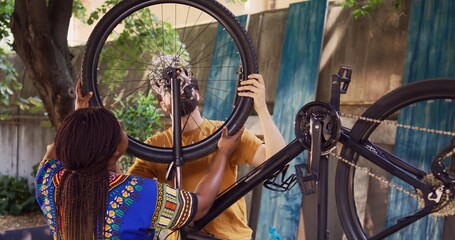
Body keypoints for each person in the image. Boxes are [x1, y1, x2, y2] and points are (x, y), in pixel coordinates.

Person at [34, 79, 244, 240]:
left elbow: (56, 151)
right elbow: (202, 206)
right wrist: (223, 154)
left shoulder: (50, 183)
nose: (122, 129)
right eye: (120, 128)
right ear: (116, 150)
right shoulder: (137, 193)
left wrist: (80, 118)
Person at [128, 56, 287, 239]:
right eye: (169, 87)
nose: (178, 88)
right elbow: (124, 190)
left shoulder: (227, 132)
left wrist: (261, 109)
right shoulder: (154, 146)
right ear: (163, 105)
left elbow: (278, 163)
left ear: (196, 93)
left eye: (185, 84)